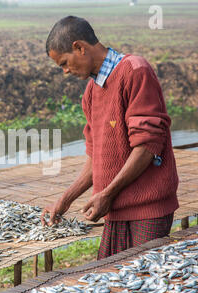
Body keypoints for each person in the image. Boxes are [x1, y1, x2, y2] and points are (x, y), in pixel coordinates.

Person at [41, 16, 179, 259]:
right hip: (114, 210)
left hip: (147, 209)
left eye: (64, 63)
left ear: (79, 48)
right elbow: (97, 156)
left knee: (145, 284)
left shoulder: (135, 71)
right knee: (110, 277)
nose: (65, 72)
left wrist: (107, 193)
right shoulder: (92, 93)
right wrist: (65, 201)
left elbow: (147, 146)